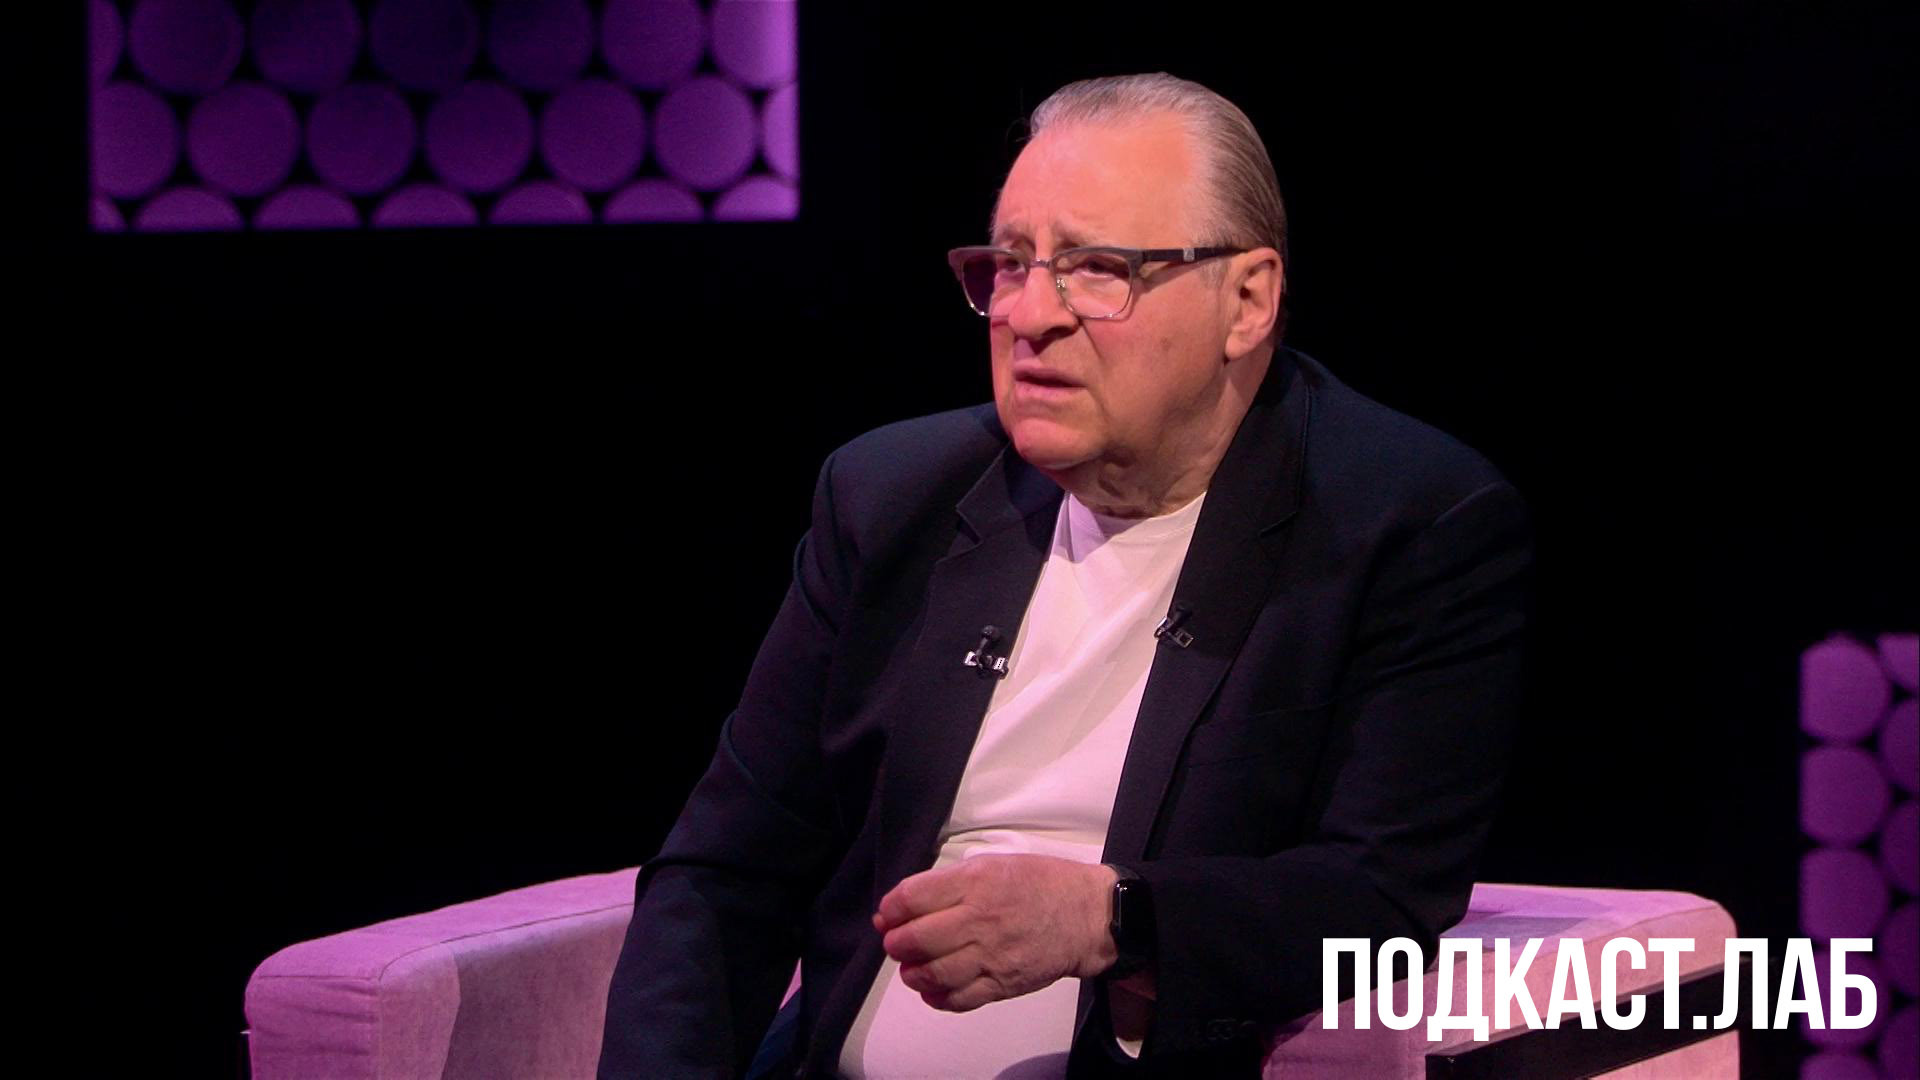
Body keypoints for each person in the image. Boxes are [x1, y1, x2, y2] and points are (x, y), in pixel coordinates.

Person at [599, 73, 1532, 1079]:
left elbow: (1381, 900)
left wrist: (1113, 920)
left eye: (1097, 269)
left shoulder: (1409, 522)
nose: (1029, 314)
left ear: (1248, 300)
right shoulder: (888, 498)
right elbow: (725, 874)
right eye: (1009, 265)